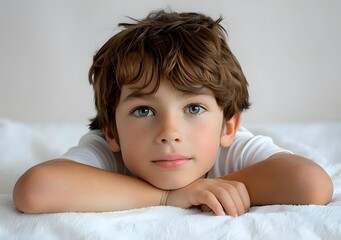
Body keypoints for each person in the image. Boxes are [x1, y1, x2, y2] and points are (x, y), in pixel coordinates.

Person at [13, 10, 333, 216]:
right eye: (143, 110)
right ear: (111, 131)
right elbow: (35, 190)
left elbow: (311, 184)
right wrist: (169, 197)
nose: (169, 131)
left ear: (228, 126)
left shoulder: (230, 148)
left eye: (194, 108)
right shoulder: (109, 150)